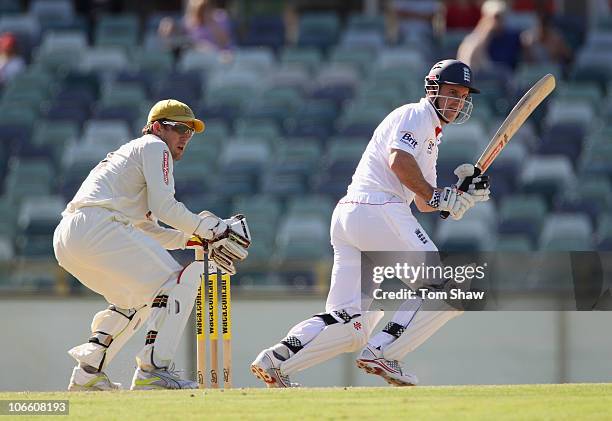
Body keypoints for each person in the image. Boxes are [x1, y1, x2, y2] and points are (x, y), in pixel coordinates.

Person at [250, 60, 491, 387]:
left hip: (353, 216)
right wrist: (437, 197)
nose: (457, 102)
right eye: (451, 93)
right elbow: (399, 162)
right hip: (378, 208)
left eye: (462, 96)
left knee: (351, 323)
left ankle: (278, 360)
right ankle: (382, 352)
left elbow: (423, 199)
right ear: (432, 90)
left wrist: (459, 195)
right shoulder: (416, 114)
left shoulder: (431, 135)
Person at [53, 99, 250, 391]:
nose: (185, 137)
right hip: (98, 226)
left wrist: (195, 237)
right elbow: (166, 207)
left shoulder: (134, 156)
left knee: (134, 301)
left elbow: (149, 230)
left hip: (70, 238)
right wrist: (215, 229)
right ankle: (154, 372)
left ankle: (88, 375)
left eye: (190, 132)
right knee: (173, 283)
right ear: (157, 127)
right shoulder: (155, 147)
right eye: (179, 128)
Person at [457, 0, 522, 72]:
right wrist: (485, 33)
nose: (499, 21)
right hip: (485, 79)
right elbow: (468, 65)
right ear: (484, 18)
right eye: (496, 17)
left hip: (507, 79)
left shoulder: (513, 36)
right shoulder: (472, 41)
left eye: (502, 16)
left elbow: (528, 62)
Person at [158, 0, 234, 52]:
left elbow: (224, 43)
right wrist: (169, 25)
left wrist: (210, 22)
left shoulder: (220, 16)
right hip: (197, 57)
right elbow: (179, 37)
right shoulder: (189, 21)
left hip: (220, 56)